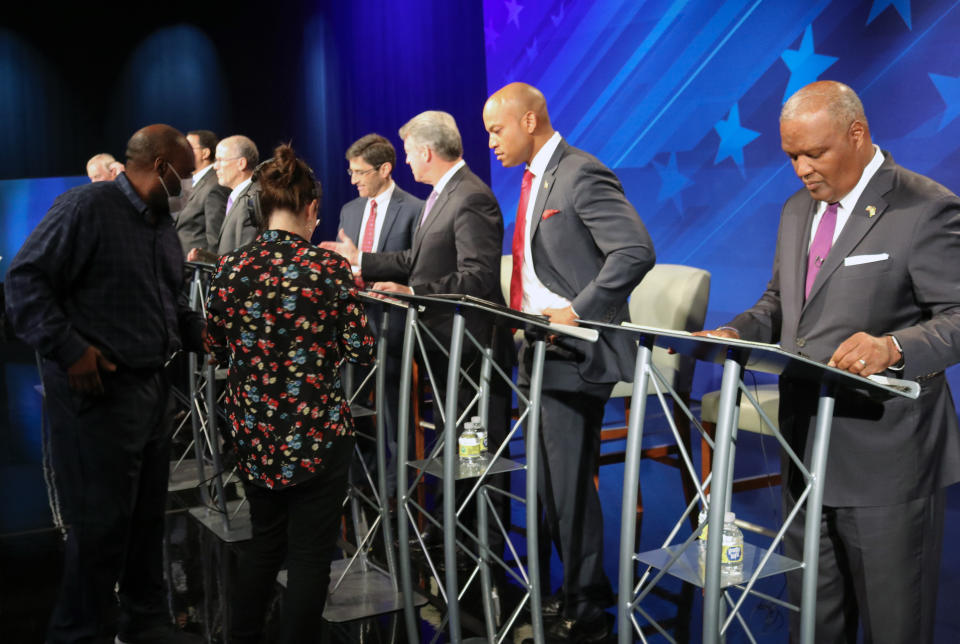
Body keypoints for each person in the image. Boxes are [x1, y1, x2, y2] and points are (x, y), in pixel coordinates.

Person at [697, 80, 960, 642]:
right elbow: (780, 302)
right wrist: (734, 331)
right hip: (803, 451)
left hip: (885, 461)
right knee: (814, 623)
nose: (801, 170)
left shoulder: (925, 207)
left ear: (857, 135)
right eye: (792, 156)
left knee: (896, 626)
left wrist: (893, 348)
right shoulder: (797, 210)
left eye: (814, 154)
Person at [5, 124, 205, 644]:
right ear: (160, 167)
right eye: (183, 175)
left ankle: (146, 621)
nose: (188, 186)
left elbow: (171, 307)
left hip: (153, 392)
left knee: (146, 521)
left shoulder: (162, 225)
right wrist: (70, 350)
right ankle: (79, 632)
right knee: (99, 529)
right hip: (98, 401)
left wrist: (211, 335)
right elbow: (24, 282)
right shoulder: (84, 208)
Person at [483, 82, 655, 643]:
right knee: (553, 486)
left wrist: (578, 313)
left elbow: (635, 250)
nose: (492, 143)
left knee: (568, 485)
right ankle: (582, 587)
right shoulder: (535, 180)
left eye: (496, 130)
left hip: (576, 352)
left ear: (530, 121)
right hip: (537, 348)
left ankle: (586, 608)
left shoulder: (581, 173)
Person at [322, 109, 513, 570]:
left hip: (473, 350)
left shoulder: (471, 197)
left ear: (426, 152)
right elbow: (416, 258)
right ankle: (454, 544)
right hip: (445, 348)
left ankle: (479, 557)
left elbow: (478, 277)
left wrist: (414, 293)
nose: (407, 161)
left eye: (408, 153)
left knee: (474, 453)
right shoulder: (442, 194)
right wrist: (362, 261)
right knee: (454, 452)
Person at [206, 143, 375, 644]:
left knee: (263, 545)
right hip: (317, 434)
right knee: (308, 558)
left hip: (255, 432)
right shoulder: (327, 269)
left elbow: (214, 346)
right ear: (311, 210)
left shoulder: (231, 268)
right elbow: (359, 347)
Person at [338, 133, 421, 490]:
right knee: (351, 407)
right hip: (355, 322)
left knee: (393, 411)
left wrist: (364, 263)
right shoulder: (350, 210)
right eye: (350, 171)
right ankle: (363, 481)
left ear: (385, 169)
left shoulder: (416, 209)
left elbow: (415, 267)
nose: (354, 179)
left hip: (395, 324)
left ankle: (398, 486)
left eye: (360, 172)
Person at [175, 129, 230, 256]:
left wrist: (206, 267)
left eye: (188, 148)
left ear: (205, 153)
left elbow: (214, 240)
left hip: (195, 269)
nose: (182, 153)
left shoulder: (215, 185)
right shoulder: (187, 181)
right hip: (178, 264)